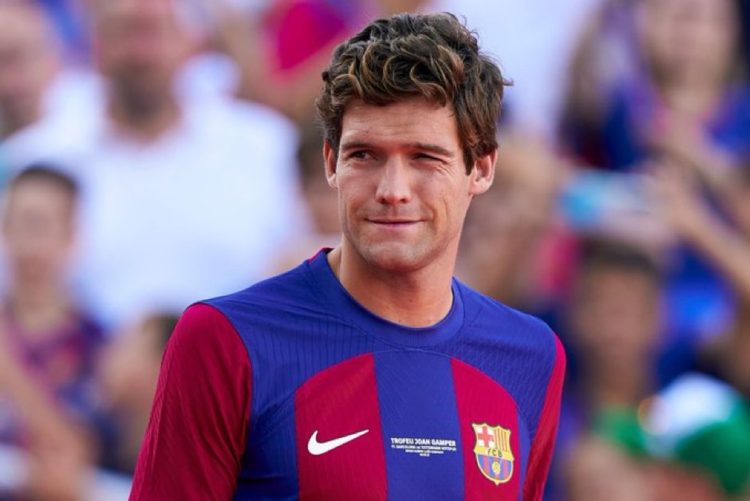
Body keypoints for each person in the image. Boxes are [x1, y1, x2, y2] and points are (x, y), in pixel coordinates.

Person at [131, 12, 566, 500]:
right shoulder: (224, 342)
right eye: (364, 155)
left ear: (481, 168)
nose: (393, 189)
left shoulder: (531, 355)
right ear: (330, 162)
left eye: (425, 157)